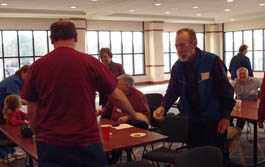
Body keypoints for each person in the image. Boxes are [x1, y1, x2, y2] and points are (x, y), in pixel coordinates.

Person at [21, 20, 149, 167]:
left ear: (51, 39)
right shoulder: (90, 62)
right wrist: (134, 114)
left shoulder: (37, 66)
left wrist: (39, 136)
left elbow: (32, 112)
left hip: (51, 144)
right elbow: (117, 95)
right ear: (76, 37)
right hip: (86, 143)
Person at [153, 28, 236, 165]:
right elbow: (173, 91)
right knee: (195, 158)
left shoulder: (212, 61)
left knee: (214, 158)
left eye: (183, 45)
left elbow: (227, 92)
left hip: (214, 120)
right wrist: (163, 106)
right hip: (192, 119)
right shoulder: (178, 66)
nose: (179, 49)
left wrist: (225, 117)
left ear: (194, 44)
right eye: (177, 45)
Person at [97, 74, 150, 164]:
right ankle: (106, 157)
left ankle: (112, 160)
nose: (115, 86)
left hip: (130, 126)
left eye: (118, 84)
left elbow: (145, 115)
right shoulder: (116, 95)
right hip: (115, 124)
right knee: (101, 137)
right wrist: (101, 111)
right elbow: (108, 108)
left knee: (116, 140)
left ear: (127, 86)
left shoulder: (138, 95)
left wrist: (128, 117)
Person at [0, 65, 29, 163]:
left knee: (7, 131)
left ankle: (12, 151)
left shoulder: (18, 80)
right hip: (2, 107)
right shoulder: (14, 82)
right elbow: (17, 99)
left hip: (3, 105)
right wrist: (32, 103)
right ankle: (3, 155)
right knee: (5, 131)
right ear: (23, 72)